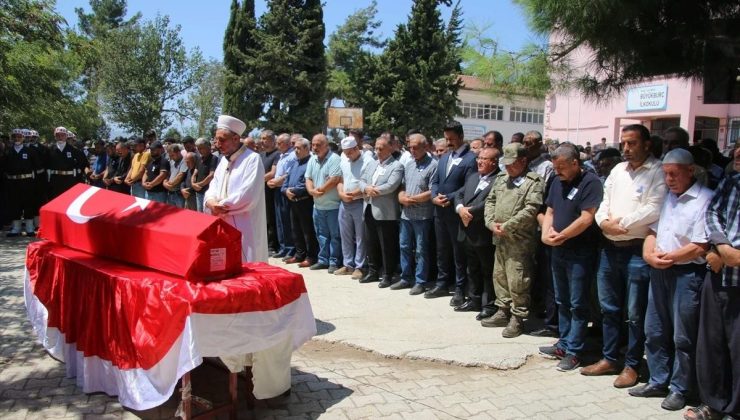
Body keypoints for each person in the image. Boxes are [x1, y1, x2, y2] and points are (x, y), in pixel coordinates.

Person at [581, 124, 666, 389]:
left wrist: (623, 223)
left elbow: (655, 207)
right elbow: (604, 201)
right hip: (610, 248)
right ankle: (609, 358)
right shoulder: (617, 170)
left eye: (632, 143)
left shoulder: (657, 171)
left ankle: (632, 365)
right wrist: (604, 222)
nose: (626, 149)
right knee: (608, 309)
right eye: (624, 144)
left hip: (637, 249)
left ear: (647, 145)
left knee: (634, 313)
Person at [626, 148, 711, 411]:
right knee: (655, 330)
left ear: (691, 171)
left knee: (682, 336)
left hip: (687, 274)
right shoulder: (668, 198)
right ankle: (658, 379)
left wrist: (671, 257)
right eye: (666, 174)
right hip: (660, 270)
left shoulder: (705, 199)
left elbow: (701, 245)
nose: (669, 179)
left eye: (674, 174)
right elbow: (652, 229)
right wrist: (648, 254)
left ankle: (681, 388)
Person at [684, 142, 740, 420]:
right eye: (738, 149)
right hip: (719, 275)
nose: (738, 155)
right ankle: (713, 404)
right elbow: (712, 213)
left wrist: (735, 255)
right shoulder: (732, 183)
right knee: (712, 345)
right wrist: (720, 247)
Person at [538, 144, 603, 371]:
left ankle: (575, 351)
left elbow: (587, 218)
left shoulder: (591, 182)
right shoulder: (556, 181)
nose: (558, 171)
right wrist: (547, 236)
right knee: (562, 300)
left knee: (577, 303)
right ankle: (563, 343)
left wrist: (563, 235)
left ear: (575, 163)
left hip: (580, 252)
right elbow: (550, 211)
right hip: (558, 250)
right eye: (555, 167)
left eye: (562, 167)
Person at [482, 143, 544, 337]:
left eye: (512, 163)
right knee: (499, 275)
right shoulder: (501, 179)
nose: (507, 167)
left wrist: (507, 225)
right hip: (499, 237)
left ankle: (518, 317)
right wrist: (491, 223)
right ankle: (503, 309)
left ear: (523, 161)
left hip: (520, 239)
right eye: (505, 163)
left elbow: (531, 209)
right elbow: (490, 201)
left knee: (518, 279)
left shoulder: (534, 182)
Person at [205, 115, 268, 263]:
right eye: (216, 139)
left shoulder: (252, 159)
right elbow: (213, 186)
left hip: (244, 223)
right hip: (221, 221)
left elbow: (248, 195)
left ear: (235, 139)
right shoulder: (223, 161)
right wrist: (210, 201)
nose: (217, 144)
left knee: (246, 263)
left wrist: (221, 206)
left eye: (222, 140)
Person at [427, 121, 477, 304]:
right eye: (446, 138)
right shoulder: (444, 157)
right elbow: (435, 181)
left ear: (461, 137)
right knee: (442, 250)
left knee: (459, 252)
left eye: (451, 139)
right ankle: (441, 283)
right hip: (439, 211)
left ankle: (459, 287)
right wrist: (433, 196)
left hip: (456, 212)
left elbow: (469, 186)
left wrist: (449, 196)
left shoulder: (471, 159)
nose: (448, 142)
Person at [454, 146, 500, 317]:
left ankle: (488, 305)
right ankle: (474, 299)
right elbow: (459, 194)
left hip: (482, 232)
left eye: (484, 159)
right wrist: (460, 209)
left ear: (494, 162)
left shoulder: (499, 179)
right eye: (478, 158)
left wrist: (469, 213)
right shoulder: (473, 176)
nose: (479, 161)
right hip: (467, 231)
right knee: (471, 268)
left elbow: (490, 203)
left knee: (487, 269)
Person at [395, 134, 438, 295]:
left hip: (423, 215)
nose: (412, 150)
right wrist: (401, 197)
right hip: (406, 214)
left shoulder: (433, 165)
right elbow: (403, 186)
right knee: (404, 246)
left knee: (421, 250)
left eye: (416, 147)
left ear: (425, 147)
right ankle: (406, 277)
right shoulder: (409, 164)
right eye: (410, 147)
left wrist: (412, 199)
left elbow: (433, 190)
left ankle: (420, 281)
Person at [359, 137, 404, 287]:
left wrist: (373, 190)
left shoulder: (396, 165)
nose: (377, 151)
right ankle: (373, 271)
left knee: (387, 244)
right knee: (371, 242)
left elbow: (392, 185)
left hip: (386, 212)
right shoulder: (372, 163)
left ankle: (388, 274)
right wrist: (366, 188)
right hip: (369, 208)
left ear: (390, 148)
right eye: (376, 148)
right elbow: (362, 180)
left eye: (381, 148)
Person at [305, 134, 343, 272]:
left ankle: (334, 262)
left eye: (318, 145)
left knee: (335, 236)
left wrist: (318, 190)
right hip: (318, 206)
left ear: (326, 145)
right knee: (321, 235)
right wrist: (311, 190)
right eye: (313, 144)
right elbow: (308, 178)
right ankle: (323, 260)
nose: (315, 147)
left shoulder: (334, 159)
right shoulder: (312, 159)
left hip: (333, 206)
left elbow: (334, 179)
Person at [336, 137, 371, 278]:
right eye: (345, 153)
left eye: (349, 152)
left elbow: (369, 183)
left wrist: (353, 194)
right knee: (345, 235)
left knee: (360, 235)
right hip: (344, 202)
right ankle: (348, 264)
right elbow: (340, 180)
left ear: (357, 148)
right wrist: (341, 193)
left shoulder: (368, 161)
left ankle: (360, 266)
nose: (347, 156)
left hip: (359, 202)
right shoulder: (344, 159)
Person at [282, 138, 318, 267]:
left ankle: (311, 256)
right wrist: (286, 191)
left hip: (305, 202)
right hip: (293, 202)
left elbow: (307, 184)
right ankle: (299, 254)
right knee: (295, 230)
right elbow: (285, 182)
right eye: (295, 148)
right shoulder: (294, 163)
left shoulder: (311, 163)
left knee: (308, 231)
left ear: (307, 149)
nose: (295, 151)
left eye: (298, 148)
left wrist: (294, 191)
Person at [2, 129, 40, 237]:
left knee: (28, 203)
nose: (17, 139)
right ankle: (16, 228)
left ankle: (29, 228)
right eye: (15, 137)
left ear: (23, 138)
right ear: (12, 138)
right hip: (12, 182)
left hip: (27, 181)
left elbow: (36, 166)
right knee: (14, 204)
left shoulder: (30, 151)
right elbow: (3, 167)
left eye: (19, 137)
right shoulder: (8, 151)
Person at [267, 133, 297, 258]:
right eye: (277, 143)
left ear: (288, 143)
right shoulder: (281, 155)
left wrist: (279, 180)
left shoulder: (292, 155)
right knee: (279, 221)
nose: (277, 145)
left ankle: (290, 249)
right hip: (277, 190)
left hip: (286, 190)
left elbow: (290, 173)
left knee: (286, 221)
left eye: (280, 143)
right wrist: (272, 181)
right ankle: (283, 247)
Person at [47, 127, 87, 200]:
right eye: (58, 135)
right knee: (56, 201)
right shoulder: (49, 149)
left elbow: (82, 164)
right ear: (55, 136)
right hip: (55, 180)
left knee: (69, 200)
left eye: (62, 135)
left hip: (70, 180)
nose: (60, 137)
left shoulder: (74, 150)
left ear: (66, 136)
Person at [260, 130, 282, 256]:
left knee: (271, 219)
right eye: (262, 138)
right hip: (261, 191)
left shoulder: (277, 154)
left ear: (273, 140)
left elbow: (273, 173)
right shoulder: (261, 155)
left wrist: (257, 180)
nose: (263, 141)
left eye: (265, 138)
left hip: (271, 192)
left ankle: (273, 245)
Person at [191, 138, 218, 212]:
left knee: (207, 214)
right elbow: (195, 171)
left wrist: (199, 185)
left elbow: (211, 175)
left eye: (202, 148)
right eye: (198, 148)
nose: (200, 150)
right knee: (200, 213)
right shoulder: (199, 158)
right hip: (198, 192)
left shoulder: (213, 158)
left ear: (208, 147)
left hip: (207, 193)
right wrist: (193, 183)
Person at [163, 144, 187, 208]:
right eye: (170, 156)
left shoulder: (184, 161)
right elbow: (168, 174)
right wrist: (165, 182)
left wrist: (170, 184)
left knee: (180, 214)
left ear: (178, 152)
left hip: (178, 194)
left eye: (172, 155)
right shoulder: (172, 162)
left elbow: (180, 175)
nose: (171, 157)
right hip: (170, 193)